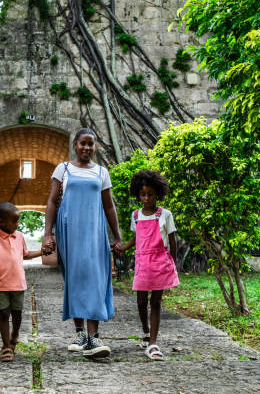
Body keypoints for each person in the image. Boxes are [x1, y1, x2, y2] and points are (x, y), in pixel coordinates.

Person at [41, 128, 122, 358]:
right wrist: (48, 234)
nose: (87, 148)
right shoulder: (63, 169)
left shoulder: (101, 172)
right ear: (75, 145)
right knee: (75, 278)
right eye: (82, 143)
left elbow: (108, 206)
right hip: (70, 231)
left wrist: (117, 236)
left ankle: (94, 337)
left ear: (95, 147)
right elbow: (52, 203)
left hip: (95, 232)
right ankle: (80, 333)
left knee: (96, 277)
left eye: (91, 144)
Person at [118, 170, 179, 361]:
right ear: (138, 194)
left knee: (156, 302)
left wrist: (172, 264)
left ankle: (153, 343)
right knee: (141, 301)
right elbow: (136, 239)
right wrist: (122, 247)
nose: (147, 198)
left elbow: (172, 240)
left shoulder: (165, 215)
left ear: (158, 194)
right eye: (143, 194)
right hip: (142, 263)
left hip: (161, 262)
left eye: (151, 194)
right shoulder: (135, 216)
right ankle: (145, 332)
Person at [0, 202, 42, 362]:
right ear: (0, 221)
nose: (17, 224)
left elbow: (25, 254)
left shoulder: (19, 236)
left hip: (18, 283)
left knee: (17, 313)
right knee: (3, 314)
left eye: (17, 221)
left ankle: (15, 335)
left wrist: (42, 251)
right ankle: (6, 346)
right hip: (0, 283)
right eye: (14, 221)